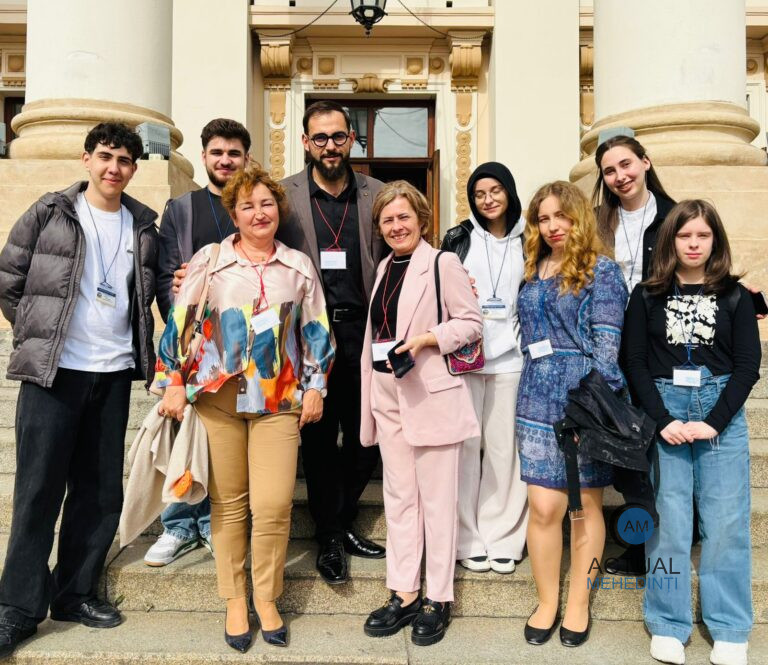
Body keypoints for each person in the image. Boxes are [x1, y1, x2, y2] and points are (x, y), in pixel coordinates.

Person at [155, 165, 334, 652]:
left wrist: (316, 385)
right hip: (219, 399)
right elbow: (180, 321)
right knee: (229, 505)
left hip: (279, 400)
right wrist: (172, 380)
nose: (259, 213)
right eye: (247, 206)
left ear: (279, 211)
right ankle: (235, 599)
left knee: (273, 505)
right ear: (234, 215)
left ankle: (267, 596)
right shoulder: (210, 260)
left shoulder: (298, 266)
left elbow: (315, 329)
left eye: (267, 204)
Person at [0, 123, 158, 658]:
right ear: (87, 159)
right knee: (38, 491)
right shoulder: (51, 212)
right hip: (55, 373)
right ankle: (17, 608)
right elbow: (9, 276)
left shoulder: (144, 225)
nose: (114, 168)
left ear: (134, 169)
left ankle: (75, 594)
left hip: (112, 374)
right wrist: (36, 332)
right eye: (106, 156)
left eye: (125, 160)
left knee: (98, 492)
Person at [623, 200, 759, 665]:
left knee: (726, 523)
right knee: (669, 522)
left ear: (715, 240)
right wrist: (663, 420)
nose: (694, 244)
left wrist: (714, 420)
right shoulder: (646, 295)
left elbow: (748, 365)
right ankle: (667, 621)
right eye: (685, 236)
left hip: (720, 413)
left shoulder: (736, 296)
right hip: (667, 411)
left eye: (703, 235)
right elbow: (635, 362)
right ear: (671, 240)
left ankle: (729, 626)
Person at [360, 181, 483, 646]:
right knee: (399, 501)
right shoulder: (384, 268)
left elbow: (471, 323)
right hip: (388, 395)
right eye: (387, 220)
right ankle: (404, 592)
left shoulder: (442, 263)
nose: (396, 226)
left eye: (404, 217)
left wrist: (429, 338)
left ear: (422, 219)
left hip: (431, 396)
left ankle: (438, 597)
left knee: (437, 502)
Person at [276, 100, 386, 584]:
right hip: (310, 338)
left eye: (338, 136)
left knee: (366, 438)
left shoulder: (377, 194)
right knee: (319, 441)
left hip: (366, 334)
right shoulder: (283, 196)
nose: (330, 146)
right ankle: (331, 536)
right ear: (306, 142)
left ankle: (340, 520)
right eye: (319, 138)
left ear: (351, 140)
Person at [516, 181, 627, 648]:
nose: (552, 226)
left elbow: (607, 348)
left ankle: (578, 602)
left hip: (582, 395)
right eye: (543, 218)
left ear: (579, 217)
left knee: (584, 507)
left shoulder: (602, 271)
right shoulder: (533, 268)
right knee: (543, 507)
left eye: (561, 216)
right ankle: (547, 601)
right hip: (534, 397)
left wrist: (590, 409)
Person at [147, 118, 251, 567]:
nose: (225, 160)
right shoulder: (182, 208)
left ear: (246, 158)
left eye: (234, 153)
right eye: (217, 153)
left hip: (241, 345)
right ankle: (177, 524)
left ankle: (212, 522)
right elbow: (166, 276)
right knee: (181, 432)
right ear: (204, 156)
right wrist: (180, 321)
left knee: (223, 439)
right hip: (190, 343)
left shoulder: (254, 204)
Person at [441, 162, 528, 574]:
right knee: (463, 450)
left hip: (512, 359)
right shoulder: (458, 238)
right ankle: (466, 537)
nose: (488, 199)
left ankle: (503, 535)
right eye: (479, 194)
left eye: (495, 191)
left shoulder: (529, 238)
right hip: (466, 360)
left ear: (509, 192)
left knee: (503, 452)